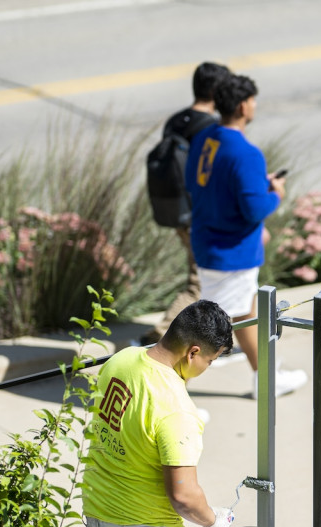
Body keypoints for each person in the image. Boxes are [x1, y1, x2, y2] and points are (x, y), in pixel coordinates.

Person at [81, 300, 235, 527]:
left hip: (98, 514)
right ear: (192, 351)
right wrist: (214, 521)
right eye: (209, 361)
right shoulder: (176, 409)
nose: (207, 368)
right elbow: (183, 496)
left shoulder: (122, 359)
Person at [185, 73, 306, 399]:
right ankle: (170, 393)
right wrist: (276, 193)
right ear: (242, 105)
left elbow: (198, 183)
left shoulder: (205, 138)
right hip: (232, 253)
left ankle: (265, 379)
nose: (254, 105)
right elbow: (255, 210)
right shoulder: (246, 153)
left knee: (244, 314)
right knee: (209, 330)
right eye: (252, 100)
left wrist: (251, 187)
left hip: (208, 241)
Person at [139, 62, 232, 347]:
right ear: (218, 91)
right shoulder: (212, 128)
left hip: (175, 207)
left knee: (204, 275)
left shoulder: (176, 120)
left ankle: (210, 338)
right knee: (200, 281)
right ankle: (163, 334)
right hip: (198, 213)